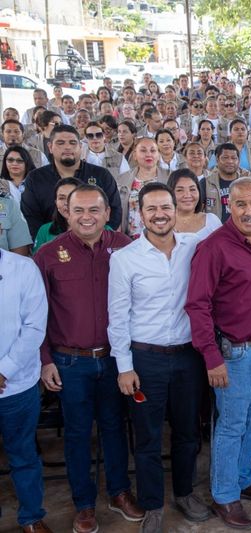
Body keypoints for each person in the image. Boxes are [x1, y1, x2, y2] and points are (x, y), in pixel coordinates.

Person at [36, 184, 143, 533]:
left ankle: (119, 492)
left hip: (115, 360)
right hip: (70, 362)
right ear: (66, 212)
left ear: (108, 213)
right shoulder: (49, 255)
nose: (86, 217)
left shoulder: (126, 248)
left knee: (115, 429)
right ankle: (83, 504)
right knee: (78, 434)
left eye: (94, 210)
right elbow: (36, 312)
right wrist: (44, 359)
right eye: (78, 210)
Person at [107, 182, 210, 532]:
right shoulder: (124, 259)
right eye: (151, 209)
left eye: (165, 207)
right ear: (139, 213)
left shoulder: (194, 247)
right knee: (148, 436)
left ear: (175, 208)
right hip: (145, 360)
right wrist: (124, 367)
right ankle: (152, 504)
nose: (159, 214)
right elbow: (117, 317)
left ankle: (184, 493)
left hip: (187, 358)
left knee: (187, 433)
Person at [185, 177, 251, 530]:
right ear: (229, 206)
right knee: (231, 426)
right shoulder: (214, 247)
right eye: (241, 204)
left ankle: (243, 479)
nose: (249, 211)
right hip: (234, 355)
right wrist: (212, 357)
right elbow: (197, 306)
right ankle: (225, 495)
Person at [0, 244, 51, 532]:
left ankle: (32, 517)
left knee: (23, 454)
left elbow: (34, 326)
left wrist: (3, 369)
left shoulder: (23, 268)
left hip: (17, 384)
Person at [22, 125, 122, 238]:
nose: (67, 147)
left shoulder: (101, 175)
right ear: (50, 147)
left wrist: (97, 240)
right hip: (50, 244)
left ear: (80, 146)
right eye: (60, 143)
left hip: (96, 244)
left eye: (72, 143)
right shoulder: (36, 178)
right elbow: (30, 217)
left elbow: (114, 211)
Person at [168, 169, 222, 240]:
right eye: (180, 190)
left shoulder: (212, 221)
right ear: (170, 194)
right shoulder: (163, 223)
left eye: (192, 189)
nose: (187, 195)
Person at [32, 177, 82, 253]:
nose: (66, 203)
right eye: (62, 198)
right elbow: (37, 262)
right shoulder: (45, 230)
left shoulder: (103, 229)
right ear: (56, 202)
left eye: (72, 197)